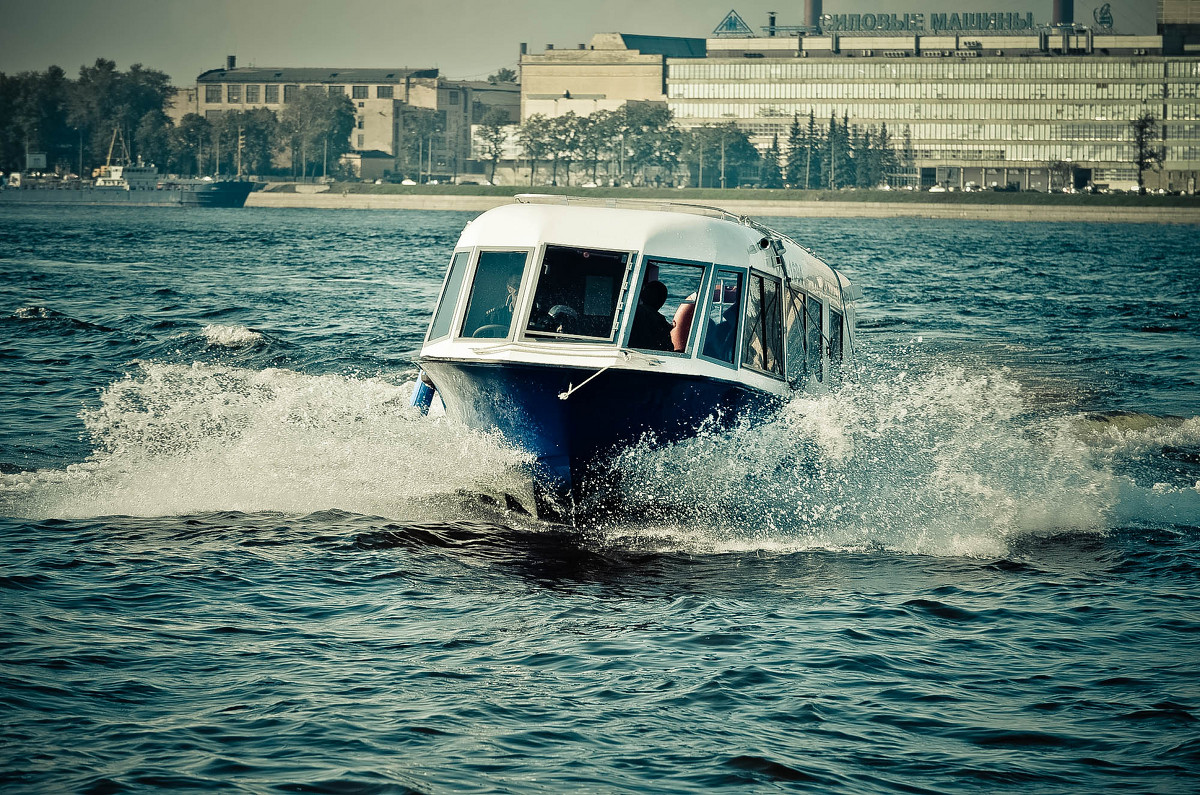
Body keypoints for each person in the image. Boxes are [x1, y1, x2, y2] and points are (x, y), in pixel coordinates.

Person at [628, 280, 674, 352]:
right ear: (661, 301)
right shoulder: (660, 320)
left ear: (642, 296)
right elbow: (667, 348)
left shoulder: (632, 312)